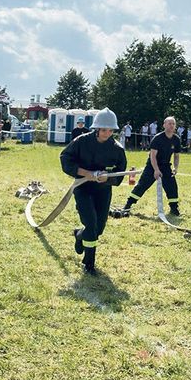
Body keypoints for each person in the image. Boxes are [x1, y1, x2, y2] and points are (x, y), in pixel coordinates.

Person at [60, 108, 126, 275]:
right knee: (91, 223)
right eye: (104, 130)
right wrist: (85, 173)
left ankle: (79, 235)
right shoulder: (81, 142)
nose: (107, 133)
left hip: (103, 190)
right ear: (96, 128)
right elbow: (65, 158)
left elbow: (120, 171)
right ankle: (89, 264)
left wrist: (107, 178)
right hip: (83, 188)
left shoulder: (117, 149)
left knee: (99, 228)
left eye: (111, 130)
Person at [123, 116, 181, 216]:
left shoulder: (176, 139)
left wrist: (175, 168)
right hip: (152, 165)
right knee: (143, 185)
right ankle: (128, 205)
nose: (171, 126)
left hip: (166, 166)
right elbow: (152, 156)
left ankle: (174, 208)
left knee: (172, 186)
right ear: (164, 125)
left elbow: (176, 156)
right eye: (169, 123)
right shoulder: (158, 138)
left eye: (173, 124)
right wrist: (156, 170)